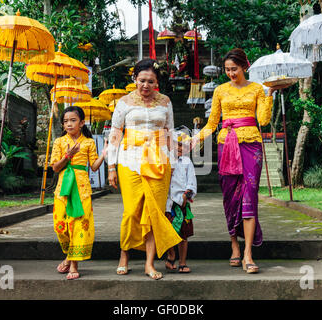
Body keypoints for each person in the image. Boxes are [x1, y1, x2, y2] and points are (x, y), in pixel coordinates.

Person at [191, 48, 284, 274]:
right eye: (227, 70)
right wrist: (196, 139)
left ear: (245, 67)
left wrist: (269, 95)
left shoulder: (257, 89)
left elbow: (261, 119)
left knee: (250, 195)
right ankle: (234, 245)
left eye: (234, 69)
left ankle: (248, 253)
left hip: (251, 145)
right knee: (231, 196)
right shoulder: (221, 90)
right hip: (226, 145)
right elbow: (212, 123)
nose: (231, 73)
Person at [107, 58, 182, 280]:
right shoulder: (124, 102)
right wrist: (111, 166)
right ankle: (124, 255)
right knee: (131, 212)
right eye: (141, 81)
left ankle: (149, 263)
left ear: (157, 82)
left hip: (159, 162)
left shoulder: (165, 101)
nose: (146, 86)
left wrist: (175, 164)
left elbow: (170, 132)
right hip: (129, 160)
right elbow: (115, 134)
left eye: (150, 81)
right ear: (134, 79)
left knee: (153, 213)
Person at [50, 106, 107, 280]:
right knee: (60, 225)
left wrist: (104, 154)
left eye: (73, 120)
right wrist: (67, 156)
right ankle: (68, 255)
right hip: (63, 189)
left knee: (78, 226)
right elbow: (55, 167)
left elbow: (94, 167)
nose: (69, 124)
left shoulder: (88, 142)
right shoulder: (59, 142)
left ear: (82, 123)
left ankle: (74, 264)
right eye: (66, 121)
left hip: (82, 189)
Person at [164, 129, 197, 274]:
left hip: (182, 202)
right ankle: (171, 255)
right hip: (167, 204)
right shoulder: (164, 160)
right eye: (176, 144)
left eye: (182, 145)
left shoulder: (187, 162)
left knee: (183, 235)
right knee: (167, 232)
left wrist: (186, 195)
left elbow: (192, 181)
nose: (179, 148)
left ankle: (182, 262)